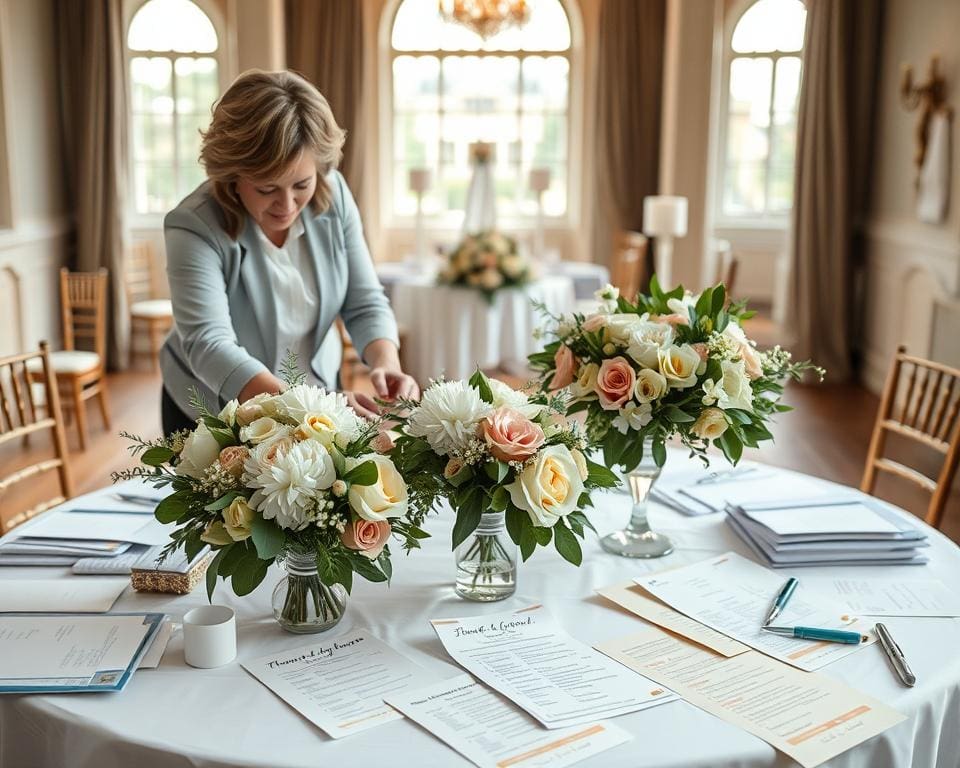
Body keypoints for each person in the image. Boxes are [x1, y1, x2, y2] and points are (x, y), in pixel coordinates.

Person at [159, 70, 418, 435]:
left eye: (302, 184)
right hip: (220, 402)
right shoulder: (193, 225)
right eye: (267, 188)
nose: (287, 204)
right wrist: (311, 408)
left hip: (318, 388)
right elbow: (209, 342)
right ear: (233, 175)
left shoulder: (335, 195)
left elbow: (364, 300)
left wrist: (385, 360)